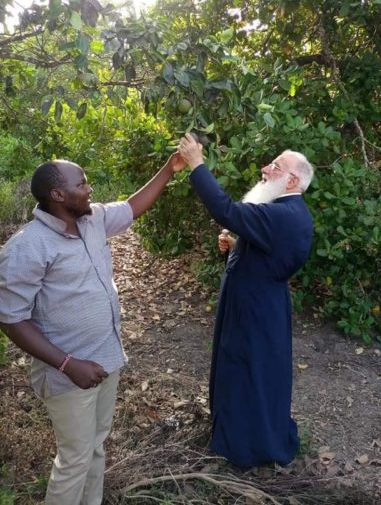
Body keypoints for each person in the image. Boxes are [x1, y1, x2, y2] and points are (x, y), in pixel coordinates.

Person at [0, 153, 185, 505]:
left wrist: (169, 168)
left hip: (105, 359)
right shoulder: (27, 246)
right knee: (74, 459)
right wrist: (68, 364)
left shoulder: (93, 219)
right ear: (58, 195)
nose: (89, 189)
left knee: (96, 447)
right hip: (68, 372)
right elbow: (11, 319)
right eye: (82, 183)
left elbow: (131, 208)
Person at [178, 133, 314, 467]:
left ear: (292, 181)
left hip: (256, 309)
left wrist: (197, 164)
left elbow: (225, 210)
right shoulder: (284, 211)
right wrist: (235, 249)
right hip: (256, 304)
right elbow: (267, 258)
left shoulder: (283, 214)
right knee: (245, 371)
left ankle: (245, 447)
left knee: (247, 373)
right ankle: (235, 435)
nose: (265, 169)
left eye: (275, 166)